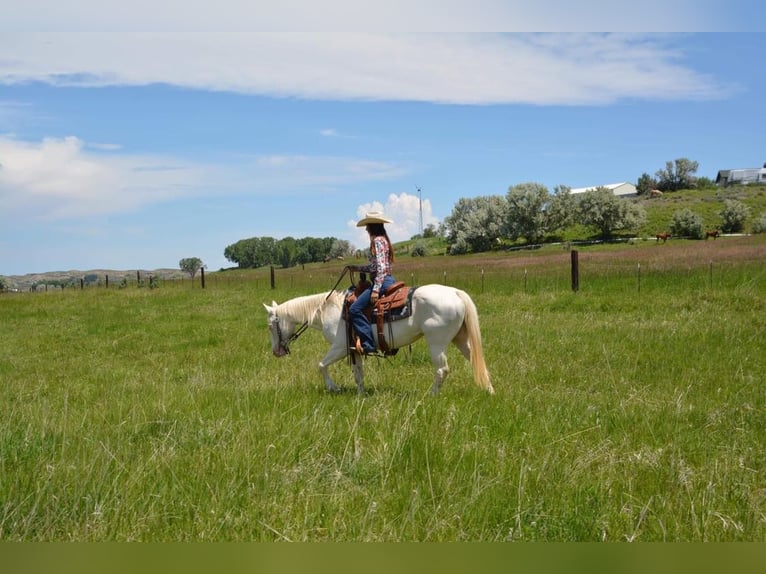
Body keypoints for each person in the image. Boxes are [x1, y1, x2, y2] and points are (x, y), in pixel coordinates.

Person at [348, 211, 396, 355]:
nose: (366, 229)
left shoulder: (377, 241)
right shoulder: (383, 239)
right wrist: (356, 268)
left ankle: (368, 344)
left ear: (372, 226)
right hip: (387, 279)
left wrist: (375, 289)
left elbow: (380, 269)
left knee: (354, 309)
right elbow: (374, 267)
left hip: (382, 281)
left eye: (368, 225)